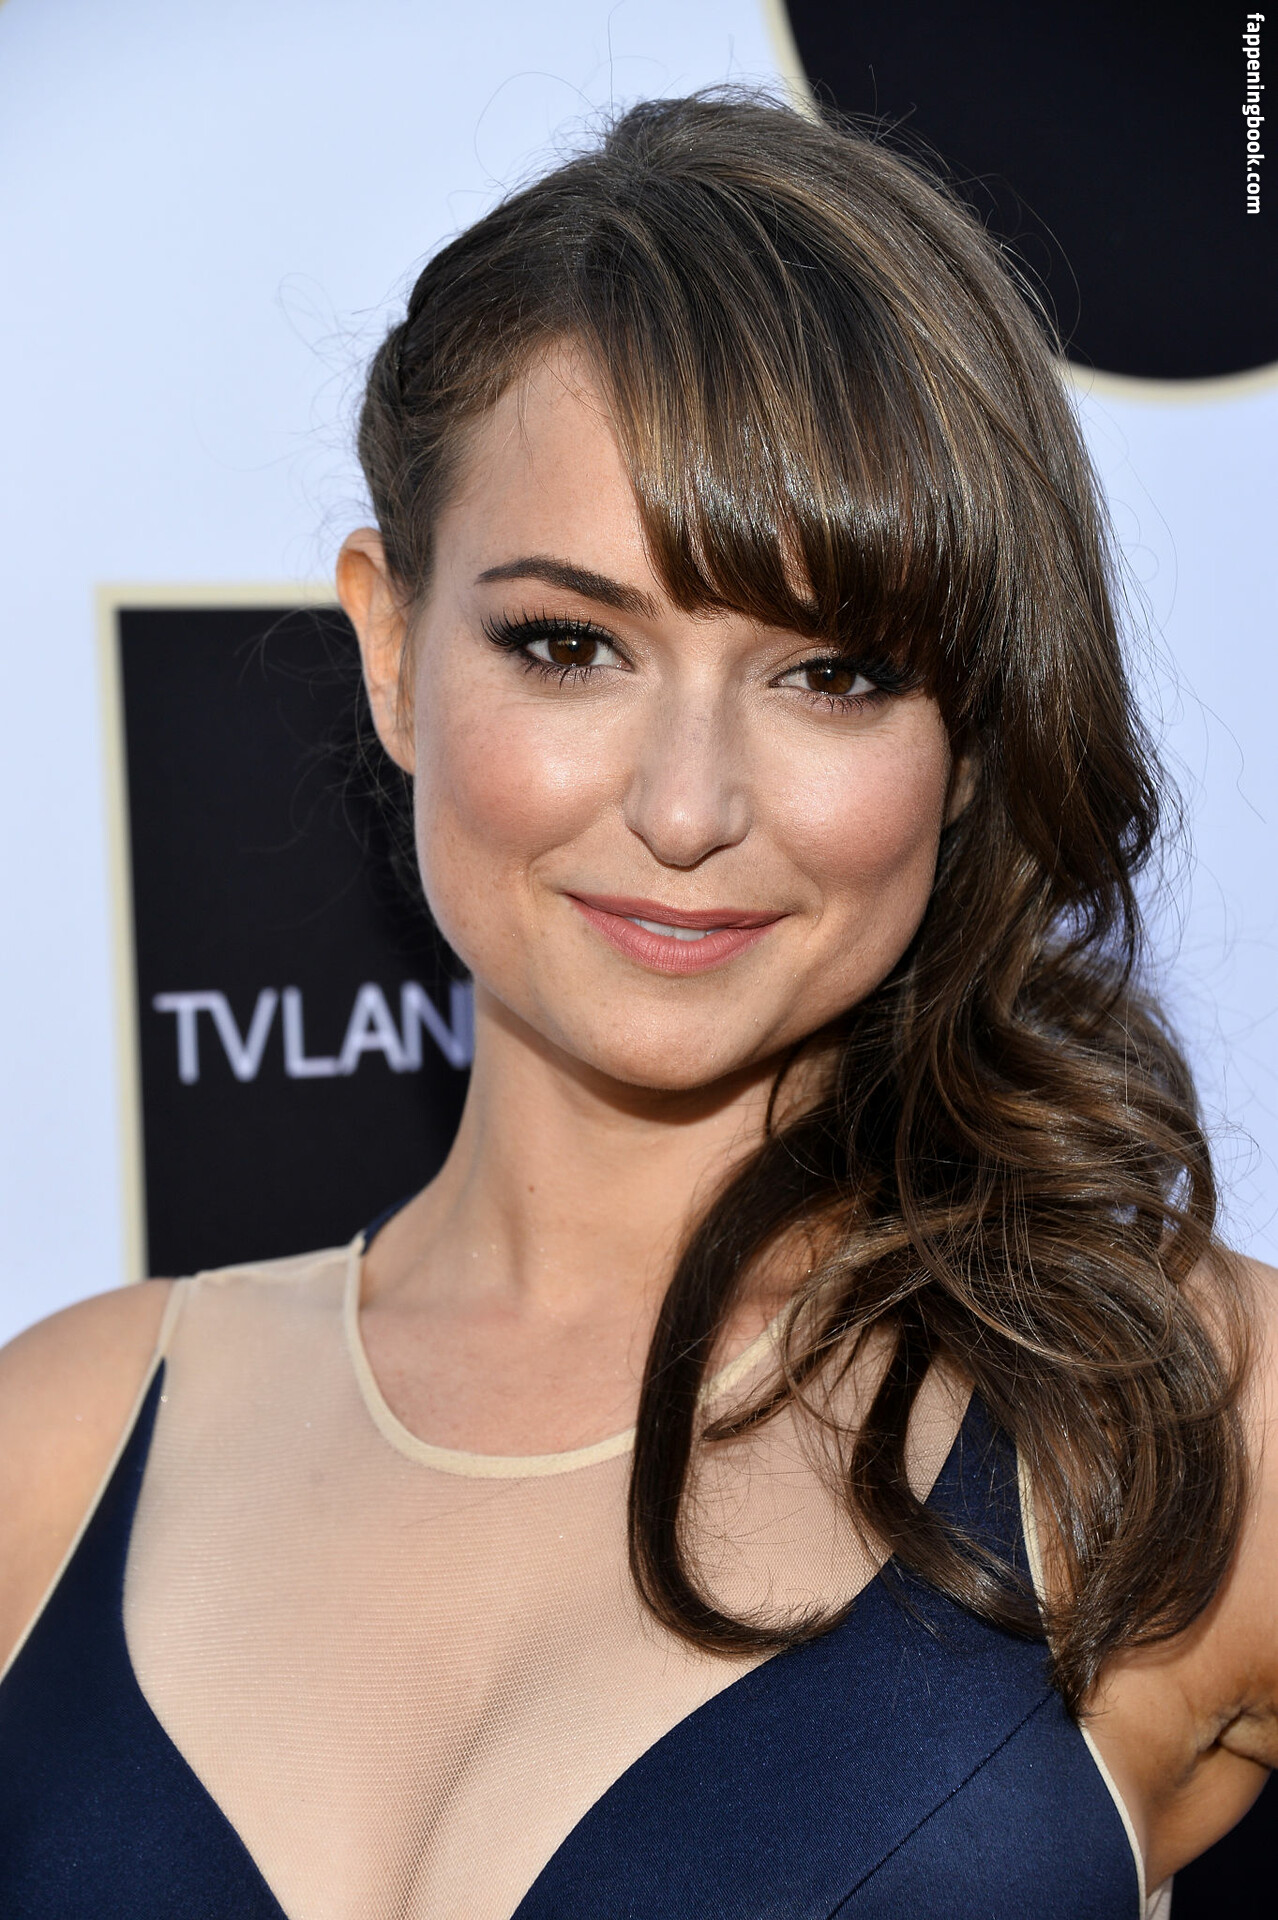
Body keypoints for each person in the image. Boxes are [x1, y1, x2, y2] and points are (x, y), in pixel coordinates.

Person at [0, 92, 1273, 1920]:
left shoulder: (1186, 1418)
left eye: (832, 672)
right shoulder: (58, 1444)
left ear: (970, 728)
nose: (685, 808)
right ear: (390, 649)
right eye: (568, 644)